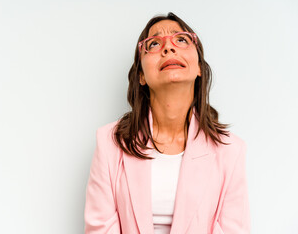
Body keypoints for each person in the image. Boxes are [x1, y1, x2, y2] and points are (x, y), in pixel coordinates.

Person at [84, 12, 250, 234]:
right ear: (141, 75)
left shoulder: (230, 150)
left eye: (181, 39)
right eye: (153, 43)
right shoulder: (109, 143)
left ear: (199, 67)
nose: (168, 47)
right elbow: (100, 229)